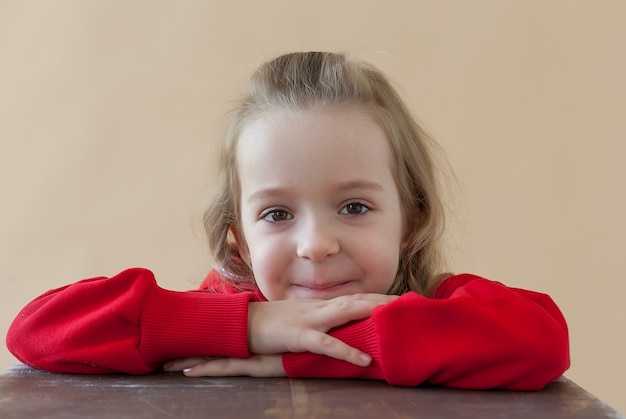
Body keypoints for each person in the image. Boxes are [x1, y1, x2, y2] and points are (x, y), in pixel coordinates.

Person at [6, 51, 569, 390]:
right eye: (276, 213)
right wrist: (254, 330)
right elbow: (34, 331)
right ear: (240, 241)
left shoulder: (438, 308)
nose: (317, 244)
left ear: (411, 222)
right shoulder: (209, 321)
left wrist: (305, 354)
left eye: (354, 207)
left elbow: (544, 341)